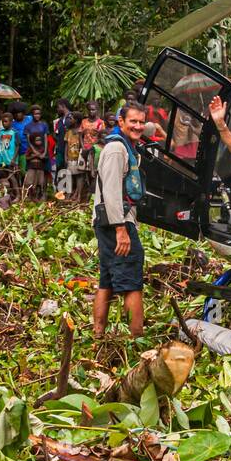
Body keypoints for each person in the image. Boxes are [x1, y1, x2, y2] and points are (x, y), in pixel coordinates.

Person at [92, 101, 148, 338]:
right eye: (133, 121)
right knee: (132, 283)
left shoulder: (127, 147)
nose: (138, 126)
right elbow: (112, 192)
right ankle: (137, 342)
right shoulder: (117, 149)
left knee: (107, 281)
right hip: (116, 223)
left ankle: (98, 335)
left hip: (108, 223)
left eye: (141, 122)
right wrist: (121, 229)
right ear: (121, 122)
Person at [24, 132, 48, 202]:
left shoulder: (43, 149)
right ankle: (29, 196)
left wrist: (42, 157)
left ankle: (37, 196)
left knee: (39, 183)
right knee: (30, 182)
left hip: (40, 168)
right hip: (32, 168)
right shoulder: (30, 149)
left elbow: (46, 157)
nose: (39, 141)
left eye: (40, 140)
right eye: (37, 140)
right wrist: (35, 156)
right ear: (33, 141)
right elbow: (26, 158)